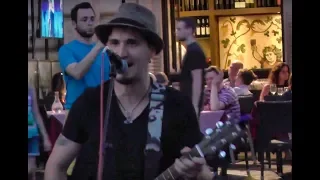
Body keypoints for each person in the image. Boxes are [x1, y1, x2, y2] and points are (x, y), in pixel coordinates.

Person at [45, 3, 211, 180]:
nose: (121, 52)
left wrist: (198, 174)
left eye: (132, 43)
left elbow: (203, 170)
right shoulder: (89, 102)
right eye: (114, 43)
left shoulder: (177, 106)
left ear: (152, 51)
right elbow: (56, 166)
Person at [58, 2, 110, 111]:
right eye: (84, 19)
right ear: (74, 24)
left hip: (102, 112)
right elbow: (77, 72)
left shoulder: (105, 51)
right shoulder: (66, 50)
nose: (90, 23)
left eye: (92, 19)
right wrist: (98, 47)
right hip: (77, 112)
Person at [176, 17, 208, 117]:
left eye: (179, 29)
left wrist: (194, 105)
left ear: (189, 30)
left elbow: (197, 80)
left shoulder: (194, 51)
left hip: (191, 102)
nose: (176, 32)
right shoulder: (191, 50)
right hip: (187, 101)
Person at [28, 85, 52, 180]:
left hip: (32, 133)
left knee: (31, 170)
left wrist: (45, 137)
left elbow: (36, 114)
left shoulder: (30, 89)